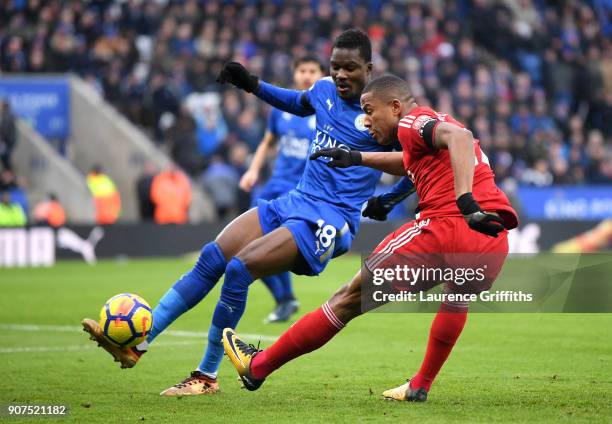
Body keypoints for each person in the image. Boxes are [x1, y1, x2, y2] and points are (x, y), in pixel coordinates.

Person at [81, 29, 414, 397]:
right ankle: (137, 344)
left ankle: (206, 376)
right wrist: (252, 84)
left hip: (330, 220)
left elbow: (419, 161)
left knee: (240, 269)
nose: (340, 75)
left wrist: (389, 199)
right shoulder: (324, 92)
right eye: (335, 67)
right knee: (212, 258)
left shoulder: (381, 114)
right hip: (295, 200)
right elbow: (296, 101)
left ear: (369, 67)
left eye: (349, 68)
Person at [222, 74, 518, 402]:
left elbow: (460, 138)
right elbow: (411, 163)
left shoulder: (413, 121)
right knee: (456, 298)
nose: (365, 120)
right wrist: (357, 158)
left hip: (446, 227)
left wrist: (464, 201)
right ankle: (420, 384)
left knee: (347, 299)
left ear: (395, 107)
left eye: (369, 110)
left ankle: (257, 366)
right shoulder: (428, 128)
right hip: (490, 237)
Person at [240, 55, 324, 323]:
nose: (307, 75)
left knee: (275, 245)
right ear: (295, 73)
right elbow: (267, 142)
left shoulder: (324, 110)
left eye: (312, 70)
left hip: (301, 191)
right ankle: (284, 298)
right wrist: (253, 170)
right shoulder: (282, 108)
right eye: (302, 70)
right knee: (249, 242)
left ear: (322, 74)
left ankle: (285, 299)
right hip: (274, 185)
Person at [0, 100, 17, 169]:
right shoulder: (9, 116)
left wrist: (2, 140)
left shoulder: (7, 117)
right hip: (7, 142)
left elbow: (5, 131)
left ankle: (8, 174)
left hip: (6, 143)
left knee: (6, 161)